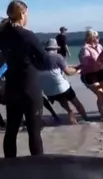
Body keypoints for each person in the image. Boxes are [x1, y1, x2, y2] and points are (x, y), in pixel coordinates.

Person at [0, 0, 48, 158]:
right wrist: (32, 61)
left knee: (11, 131)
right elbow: (44, 61)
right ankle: (38, 169)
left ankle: (9, 168)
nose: (27, 16)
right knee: (34, 132)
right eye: (27, 13)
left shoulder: (3, 34)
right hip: (29, 86)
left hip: (11, 86)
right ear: (22, 14)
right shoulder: (27, 35)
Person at [38, 39, 87, 124]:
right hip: (61, 87)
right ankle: (86, 119)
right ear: (55, 48)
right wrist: (77, 69)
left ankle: (70, 112)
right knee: (76, 102)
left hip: (48, 91)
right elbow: (68, 72)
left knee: (62, 101)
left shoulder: (39, 59)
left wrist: (72, 66)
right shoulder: (58, 57)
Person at [78, 28, 103, 119]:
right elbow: (84, 61)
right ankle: (102, 114)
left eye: (98, 36)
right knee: (100, 93)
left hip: (100, 72)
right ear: (91, 38)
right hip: (89, 75)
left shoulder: (100, 46)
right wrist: (93, 61)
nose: (99, 38)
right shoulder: (85, 49)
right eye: (97, 36)